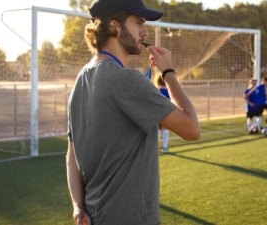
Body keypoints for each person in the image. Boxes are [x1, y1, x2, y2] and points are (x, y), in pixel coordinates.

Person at [66, 0, 201, 224]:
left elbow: (72, 157)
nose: (145, 31)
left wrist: (78, 207)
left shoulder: (80, 80)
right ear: (113, 27)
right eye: (138, 22)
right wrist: (168, 72)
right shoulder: (126, 79)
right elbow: (192, 129)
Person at [156, 76, 171, 152]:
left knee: (158, 130)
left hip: (158, 113)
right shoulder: (169, 91)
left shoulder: (157, 91)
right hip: (167, 113)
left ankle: (156, 148)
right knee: (166, 130)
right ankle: (165, 147)